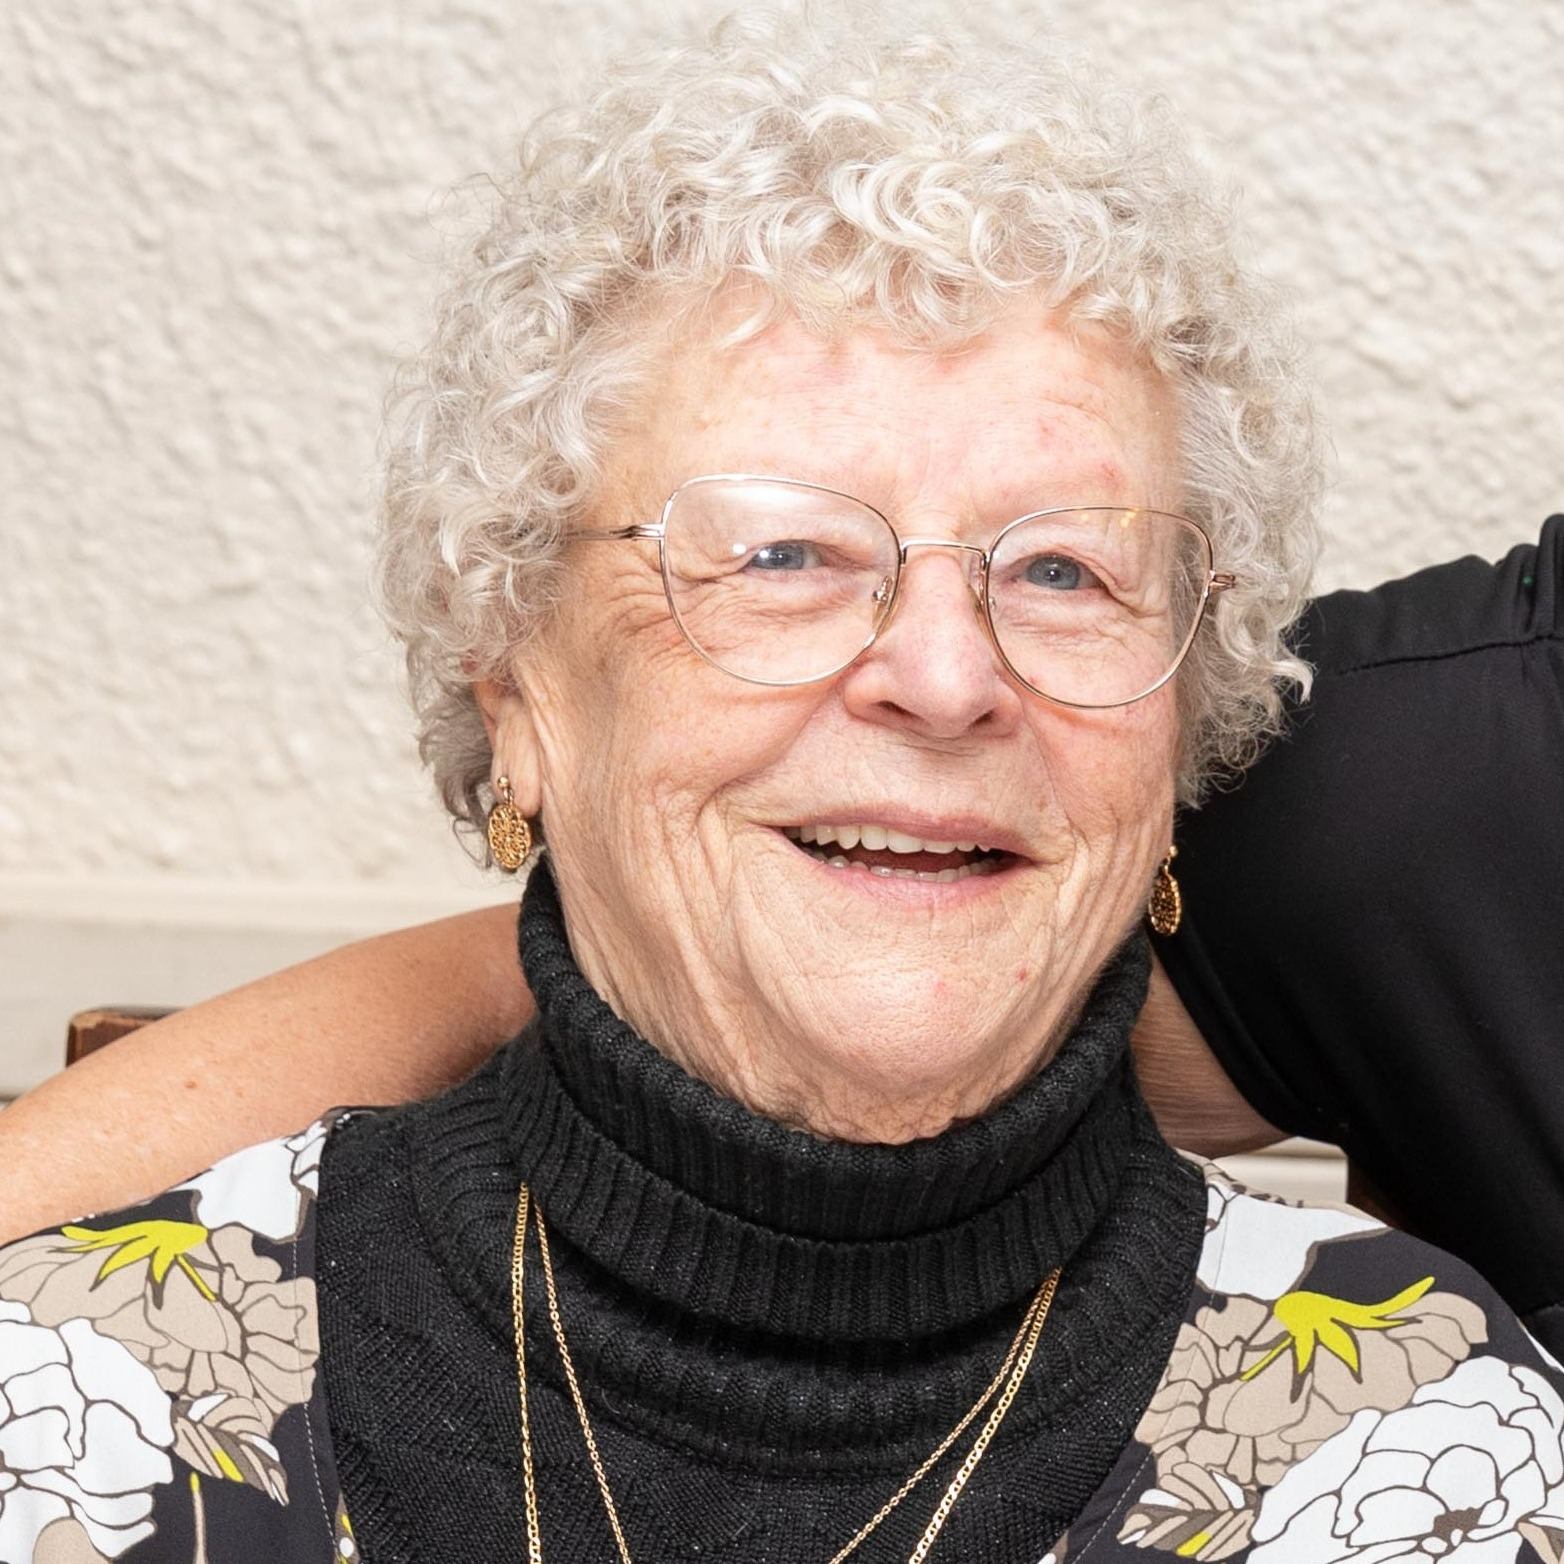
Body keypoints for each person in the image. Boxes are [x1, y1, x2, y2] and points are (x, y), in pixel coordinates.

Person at [3, 15, 1562, 1563]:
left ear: (1181, 736)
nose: (944, 676)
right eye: (787, 553)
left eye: (1065, 570)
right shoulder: (67, 1401)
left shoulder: (1439, 1460)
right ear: (514, 684)